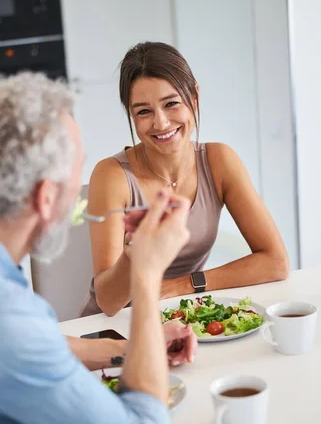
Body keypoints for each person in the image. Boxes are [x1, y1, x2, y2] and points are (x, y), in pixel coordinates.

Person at [0, 72, 196, 424]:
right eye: (76, 180)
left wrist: (128, 350)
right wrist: (147, 275)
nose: (81, 195)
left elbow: (22, 351)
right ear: (46, 199)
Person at [81, 41, 289, 318]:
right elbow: (107, 301)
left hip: (184, 317)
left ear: (194, 98)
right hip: (117, 328)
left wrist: (181, 286)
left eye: (171, 104)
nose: (161, 123)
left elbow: (275, 262)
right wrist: (135, 255)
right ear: (130, 115)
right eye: (143, 111)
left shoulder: (219, 160)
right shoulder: (111, 176)